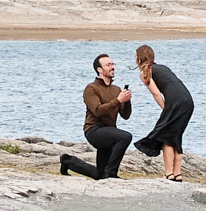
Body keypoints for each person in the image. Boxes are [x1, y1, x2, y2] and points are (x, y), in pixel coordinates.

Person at [59, 52, 132, 180]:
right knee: (125, 137)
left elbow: (125, 116)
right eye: (108, 65)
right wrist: (118, 100)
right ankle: (112, 173)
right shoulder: (91, 89)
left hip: (109, 133)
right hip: (94, 130)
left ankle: (68, 161)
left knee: (100, 175)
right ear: (99, 69)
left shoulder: (116, 89)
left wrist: (126, 100)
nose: (112, 67)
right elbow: (98, 111)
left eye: (113, 64)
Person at [132, 43, 194, 182]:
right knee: (175, 136)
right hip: (188, 100)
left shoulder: (145, 72)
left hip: (175, 102)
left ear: (139, 58)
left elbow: (155, 93)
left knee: (166, 136)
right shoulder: (163, 67)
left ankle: (168, 173)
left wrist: (165, 108)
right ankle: (177, 173)